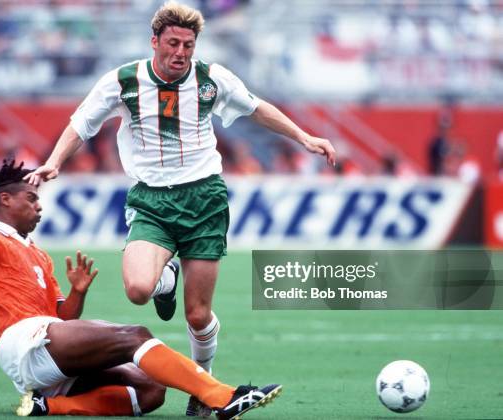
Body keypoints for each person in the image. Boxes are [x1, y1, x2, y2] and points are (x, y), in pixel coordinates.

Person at [25, 2, 334, 415]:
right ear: (155, 41)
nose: (181, 52)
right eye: (173, 43)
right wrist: (55, 161)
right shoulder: (124, 80)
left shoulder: (211, 78)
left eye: (188, 44)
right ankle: (163, 281)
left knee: (198, 313)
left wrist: (304, 136)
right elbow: (82, 122)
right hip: (151, 200)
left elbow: (256, 107)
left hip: (204, 199)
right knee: (137, 290)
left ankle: (202, 392)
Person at [0, 159, 281, 418]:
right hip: (22, 342)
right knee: (134, 335)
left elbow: (65, 319)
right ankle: (220, 396)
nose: (39, 207)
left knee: (150, 391)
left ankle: (48, 408)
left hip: (48, 348)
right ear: (4, 199)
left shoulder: (38, 255)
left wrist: (77, 292)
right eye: (31, 198)